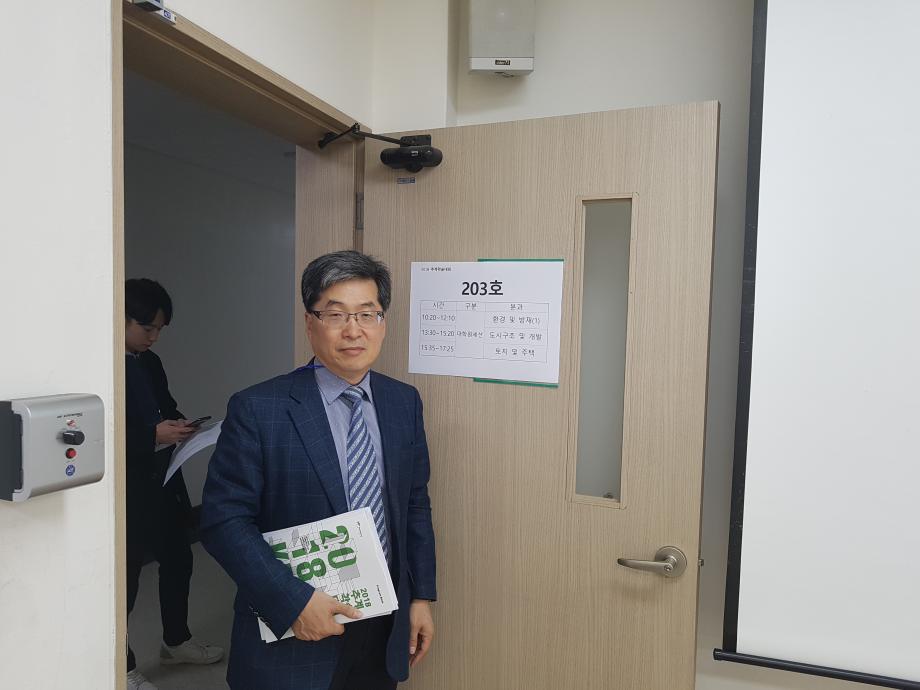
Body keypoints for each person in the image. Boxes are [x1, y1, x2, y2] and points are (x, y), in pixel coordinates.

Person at [200, 250, 437, 690]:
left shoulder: (403, 402)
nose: (353, 330)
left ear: (382, 322)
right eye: (336, 314)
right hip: (294, 629)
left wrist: (420, 596)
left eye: (367, 314)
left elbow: (414, 505)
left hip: (383, 624)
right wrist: (293, 601)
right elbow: (222, 520)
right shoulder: (259, 408)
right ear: (311, 323)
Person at [124, 278, 224, 690]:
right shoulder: (97, 363)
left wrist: (181, 425)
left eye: (159, 329)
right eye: (146, 327)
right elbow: (100, 431)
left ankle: (176, 640)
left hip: (163, 479)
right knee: (126, 578)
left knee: (179, 558)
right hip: (126, 488)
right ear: (120, 317)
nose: (153, 337)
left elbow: (165, 406)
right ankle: (122, 665)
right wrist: (150, 436)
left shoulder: (149, 362)